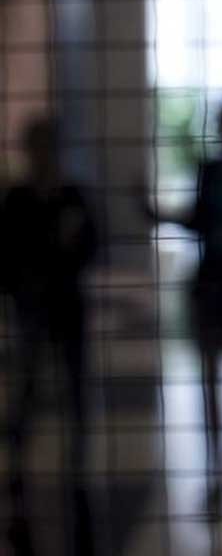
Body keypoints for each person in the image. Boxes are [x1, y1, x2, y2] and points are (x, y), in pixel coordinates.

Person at [144, 96, 222, 508]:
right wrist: (159, 215)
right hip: (216, 284)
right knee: (214, 373)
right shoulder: (213, 171)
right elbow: (199, 219)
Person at [3, 116, 97, 555]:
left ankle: (79, 458)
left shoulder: (72, 195)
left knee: (73, 382)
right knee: (29, 382)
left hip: (65, 306)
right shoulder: (19, 199)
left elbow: (93, 245)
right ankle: (19, 460)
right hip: (33, 307)